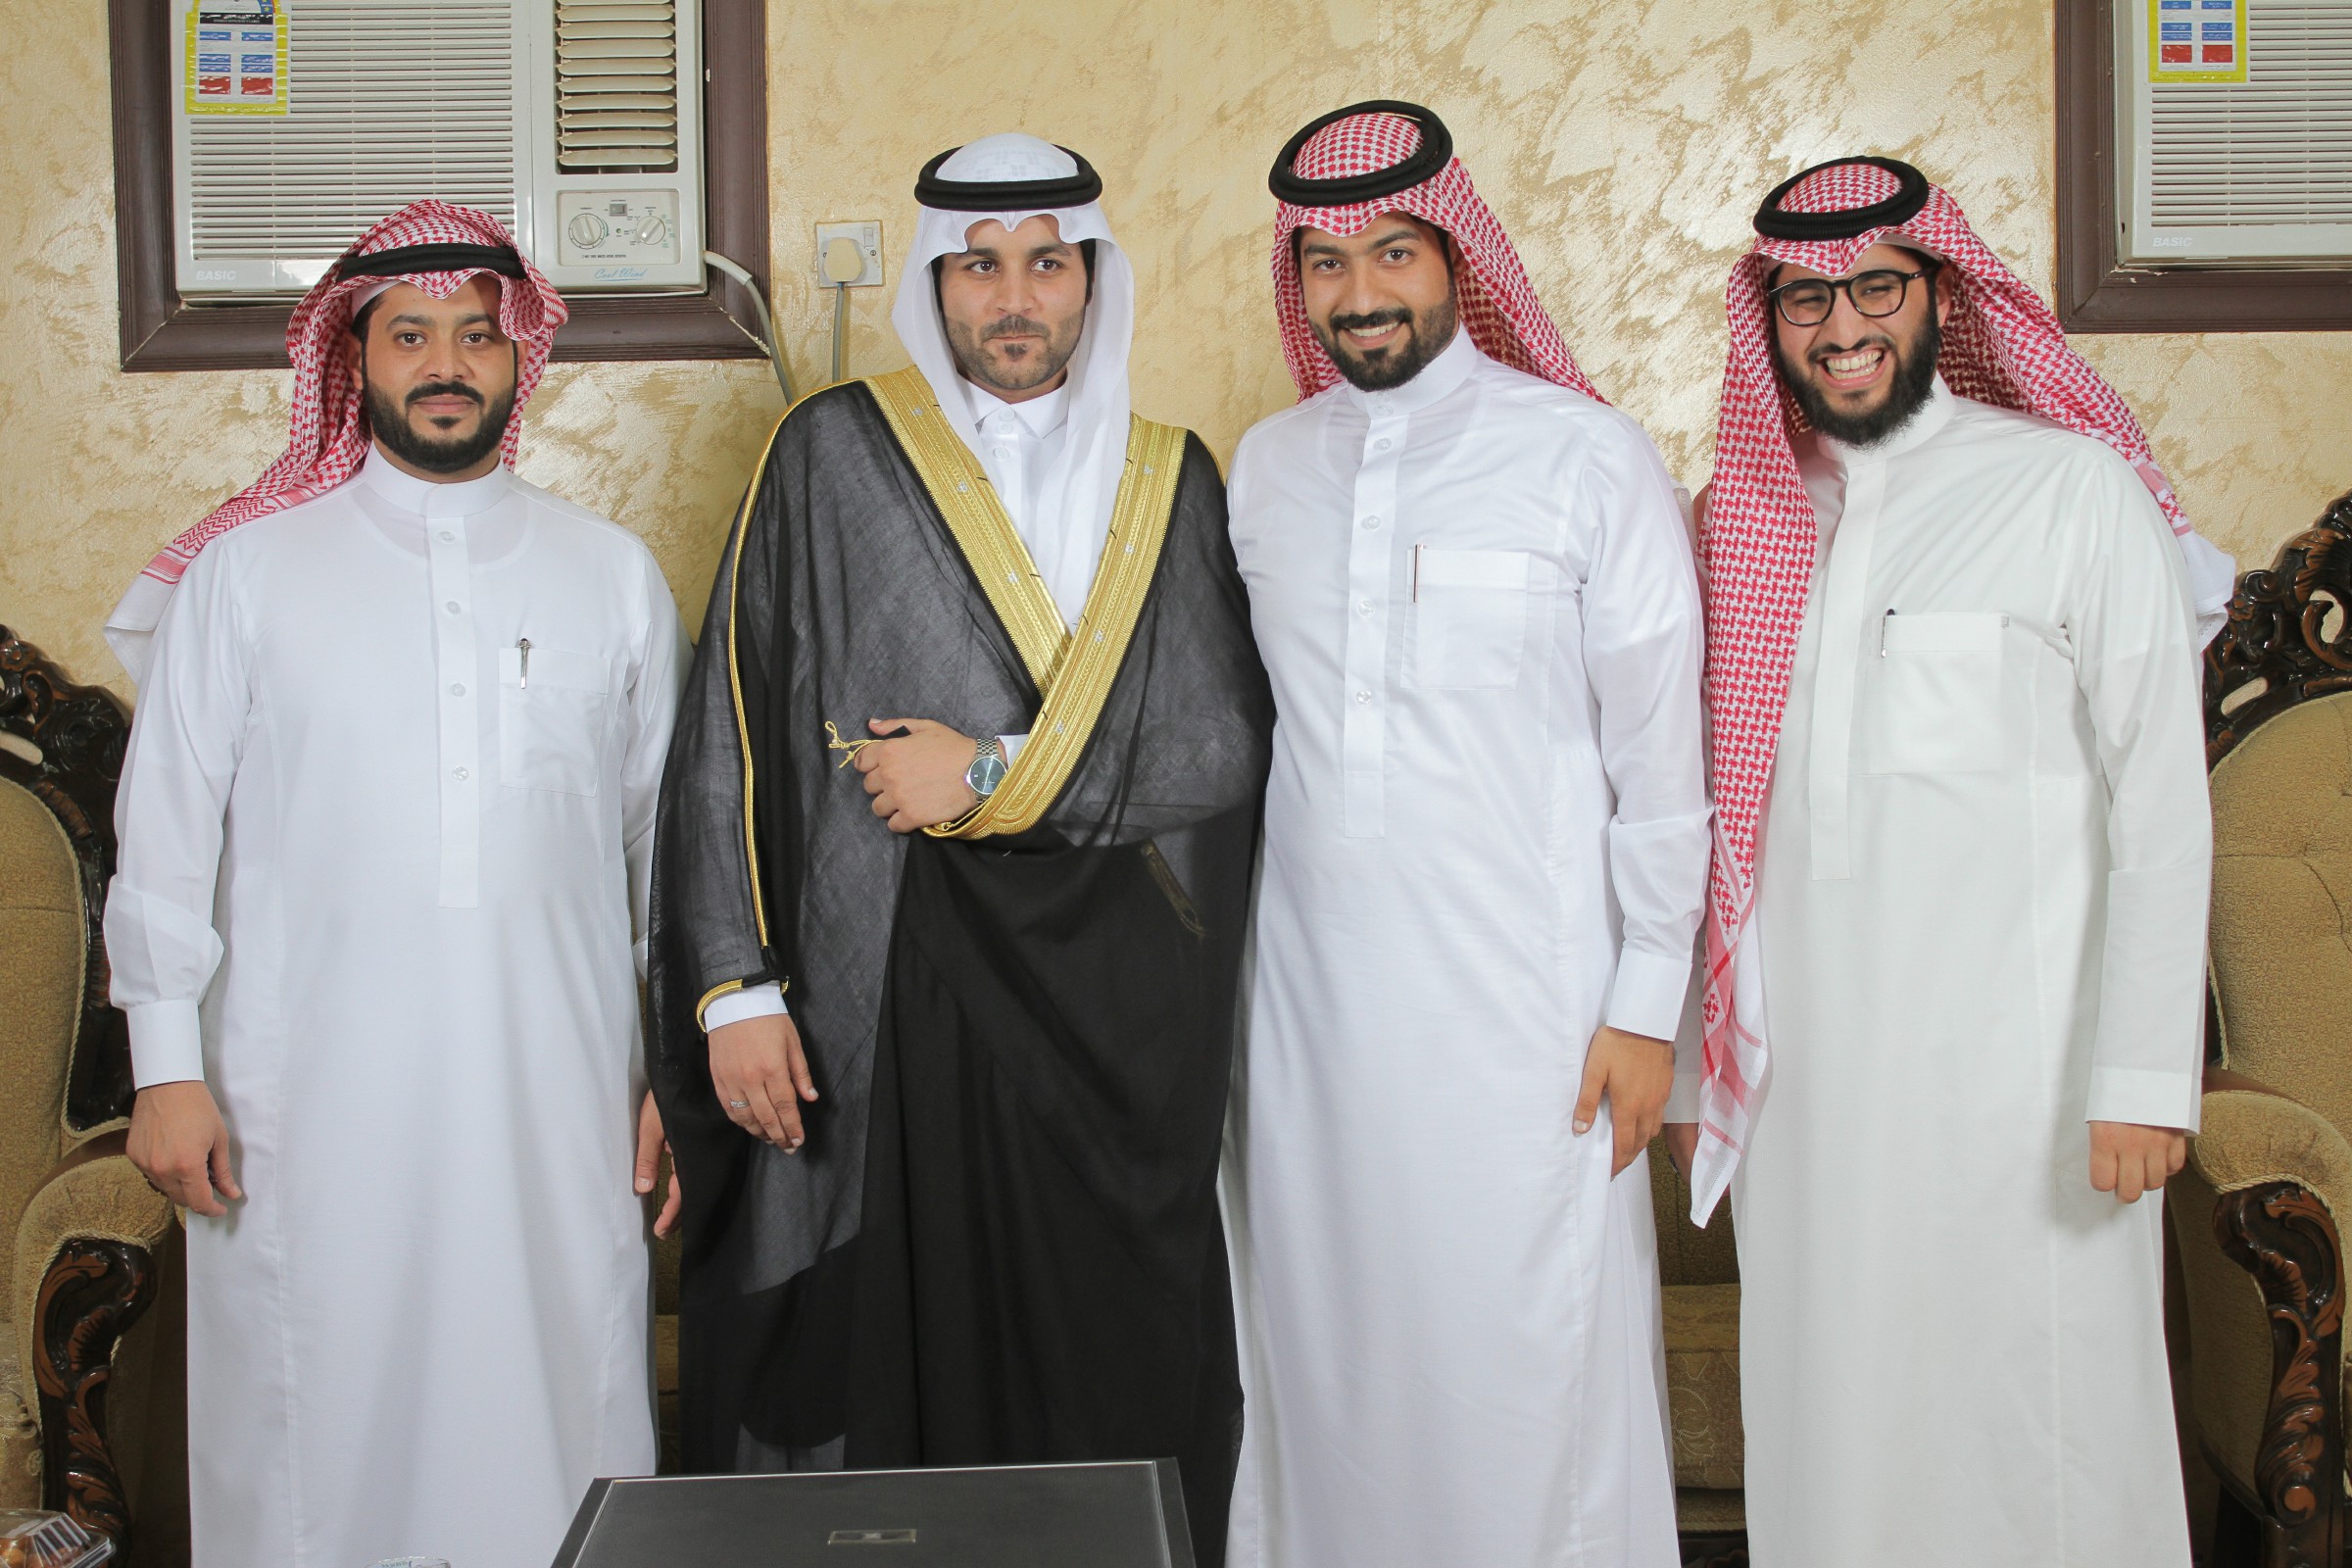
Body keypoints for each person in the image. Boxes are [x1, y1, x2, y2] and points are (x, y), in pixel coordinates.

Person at [648, 134, 1271, 1559]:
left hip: (1113, 1019)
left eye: (1047, 263)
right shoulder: (831, 454)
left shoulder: (1171, 477)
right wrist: (733, 991)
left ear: (1092, 280)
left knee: (1098, 1370)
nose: (1014, 298)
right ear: (934, 285)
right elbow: (730, 721)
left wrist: (987, 773)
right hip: (877, 986)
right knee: (880, 1361)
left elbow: (1218, 748)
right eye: (978, 266)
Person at [1667, 156, 2236, 1566]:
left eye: (1876, 287)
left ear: (1940, 295)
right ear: (1769, 323)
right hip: (1810, 1103)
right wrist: (1694, 1072)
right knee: (1834, 1431)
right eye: (1806, 299)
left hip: (2027, 1097)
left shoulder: (2069, 489)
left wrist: (2143, 1076)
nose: (1842, 327)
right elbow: (1709, 825)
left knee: (2040, 1435)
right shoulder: (1741, 522)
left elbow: (2163, 809)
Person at [103, 201, 682, 1568]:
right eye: (409, 334)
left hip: (559, 1089)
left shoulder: (612, 577)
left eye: (476, 335)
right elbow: (165, 834)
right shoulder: (247, 575)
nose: (445, 364)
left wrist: (667, 1071)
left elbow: (664, 852)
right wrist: (165, 1068)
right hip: (299, 1095)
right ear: (350, 358)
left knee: (559, 1390)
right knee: (314, 1410)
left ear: (520, 356)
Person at [1221, 102, 1709, 1568]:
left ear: (1458, 259)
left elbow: (1660, 762)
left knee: (1530, 1367)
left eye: (1394, 252)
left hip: (1531, 1024)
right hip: (1308, 1026)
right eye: (1326, 263)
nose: (1360, 292)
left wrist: (1648, 1005)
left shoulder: (1586, 458)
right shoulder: (1267, 468)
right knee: (1325, 1357)